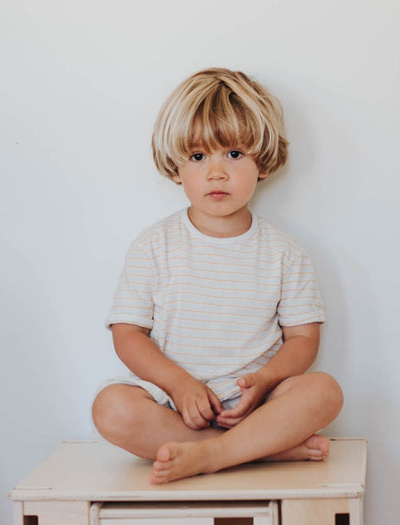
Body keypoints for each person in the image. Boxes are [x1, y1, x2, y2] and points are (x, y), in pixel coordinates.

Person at [92, 68, 343, 485]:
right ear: (176, 168)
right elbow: (127, 334)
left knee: (324, 392)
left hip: (255, 402)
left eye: (233, 154)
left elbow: (303, 339)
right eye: (197, 157)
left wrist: (265, 381)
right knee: (111, 407)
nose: (216, 173)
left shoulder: (285, 253)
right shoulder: (153, 245)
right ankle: (260, 451)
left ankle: (217, 453)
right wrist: (178, 385)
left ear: (262, 162)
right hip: (175, 405)